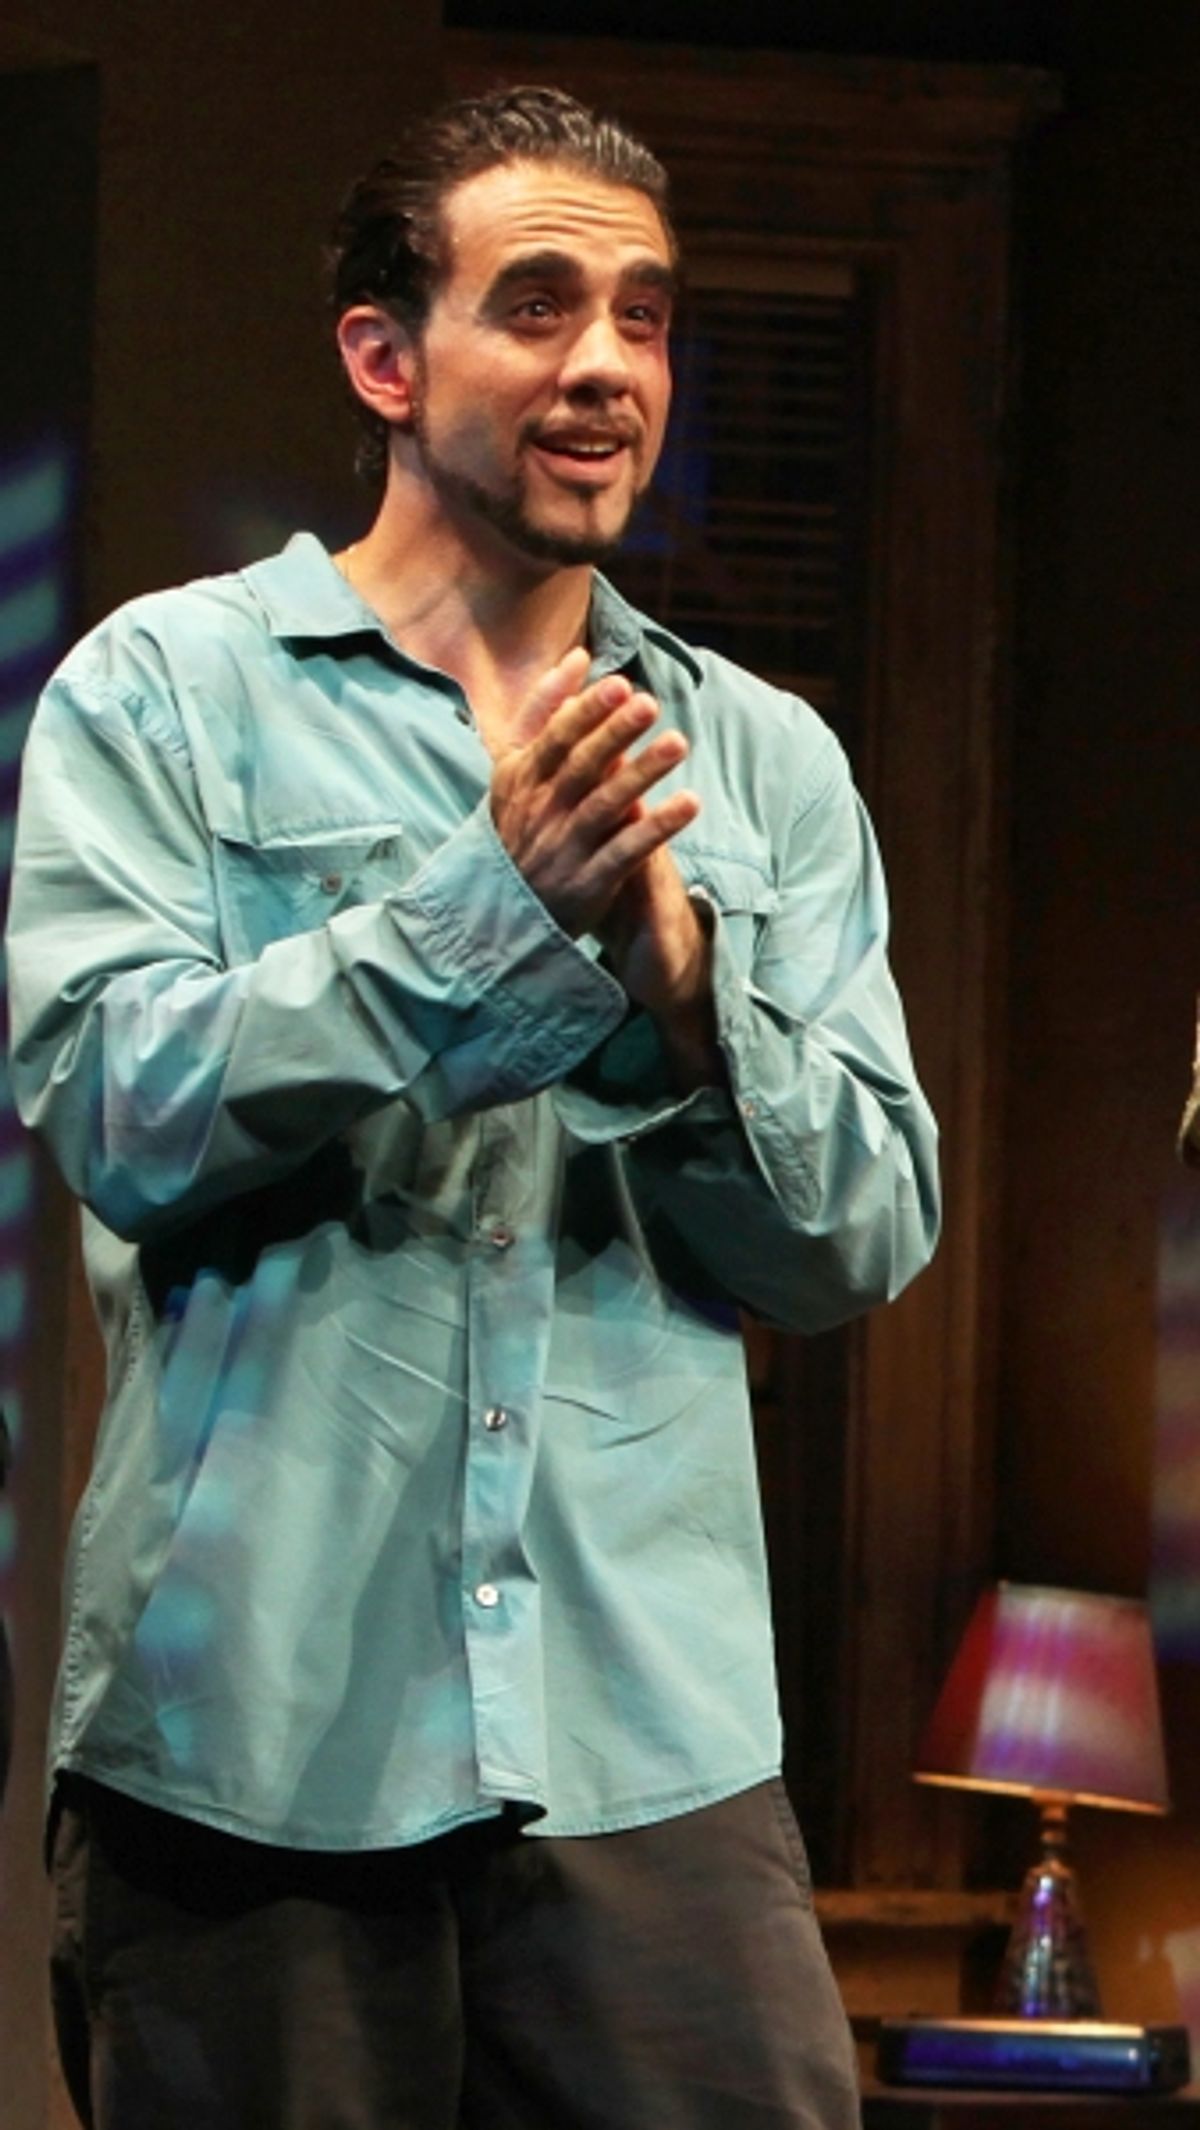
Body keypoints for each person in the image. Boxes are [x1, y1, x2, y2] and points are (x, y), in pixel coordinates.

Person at [7, 85, 939, 2130]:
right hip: (253, 1744)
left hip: (652, 1758)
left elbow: (864, 1227)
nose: (607, 363)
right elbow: (118, 1107)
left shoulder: (765, 763)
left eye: (645, 313)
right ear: (385, 355)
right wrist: (475, 921)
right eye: (538, 304)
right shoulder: (161, 695)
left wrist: (693, 998)